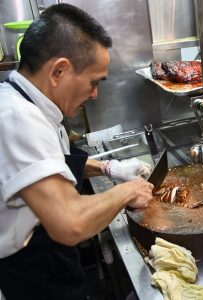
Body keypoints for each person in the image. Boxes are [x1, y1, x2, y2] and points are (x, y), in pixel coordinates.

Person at [0, 4, 154, 299]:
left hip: (47, 254)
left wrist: (111, 169)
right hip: (33, 268)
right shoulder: (17, 118)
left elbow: (55, 162)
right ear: (59, 71)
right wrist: (127, 191)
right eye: (93, 82)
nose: (95, 94)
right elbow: (71, 222)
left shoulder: (29, 103)